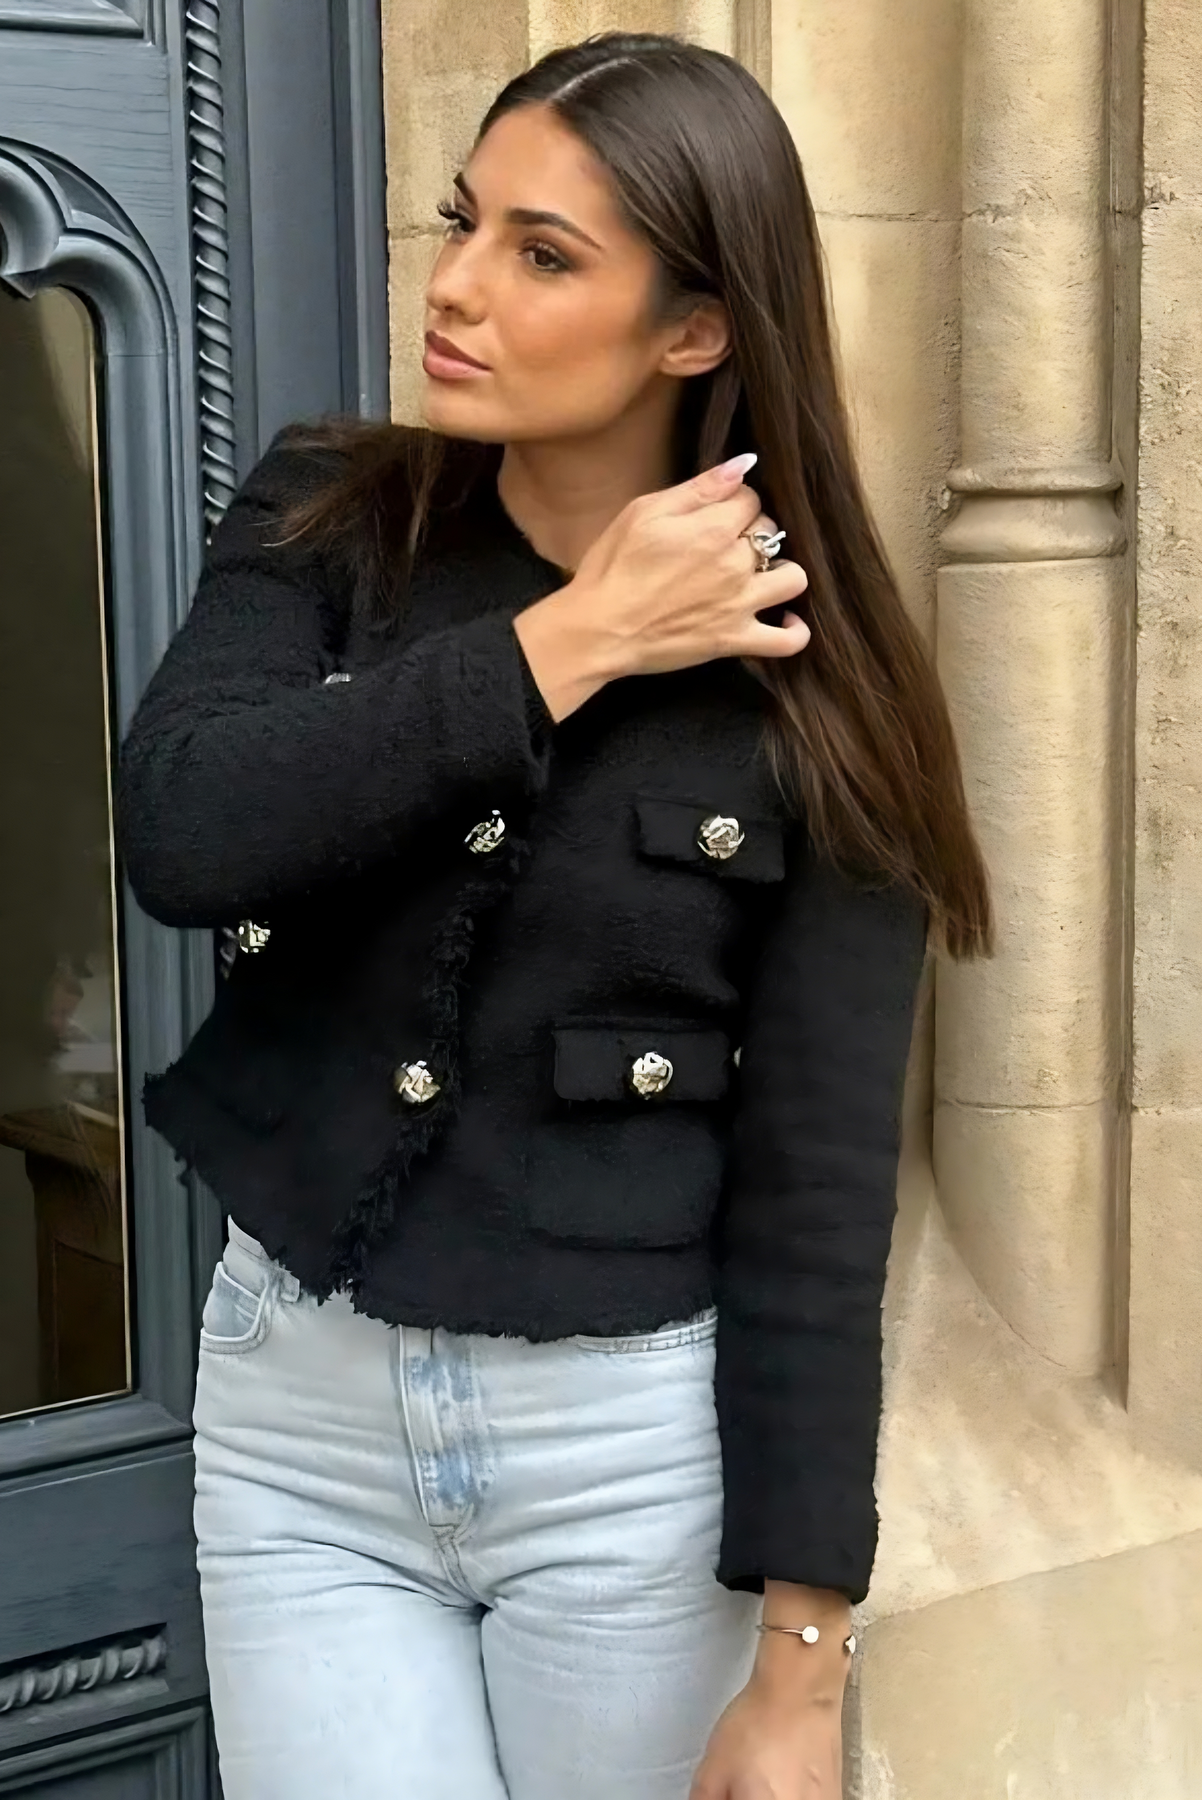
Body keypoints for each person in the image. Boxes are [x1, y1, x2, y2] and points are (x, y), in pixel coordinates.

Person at [116, 32, 991, 1800]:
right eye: (465, 222)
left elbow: (817, 1196)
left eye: (541, 254)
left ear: (695, 330)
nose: (453, 286)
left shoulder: (817, 692)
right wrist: (571, 641)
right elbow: (187, 831)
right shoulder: (328, 517)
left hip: (626, 1468)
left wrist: (800, 1667)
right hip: (300, 1429)